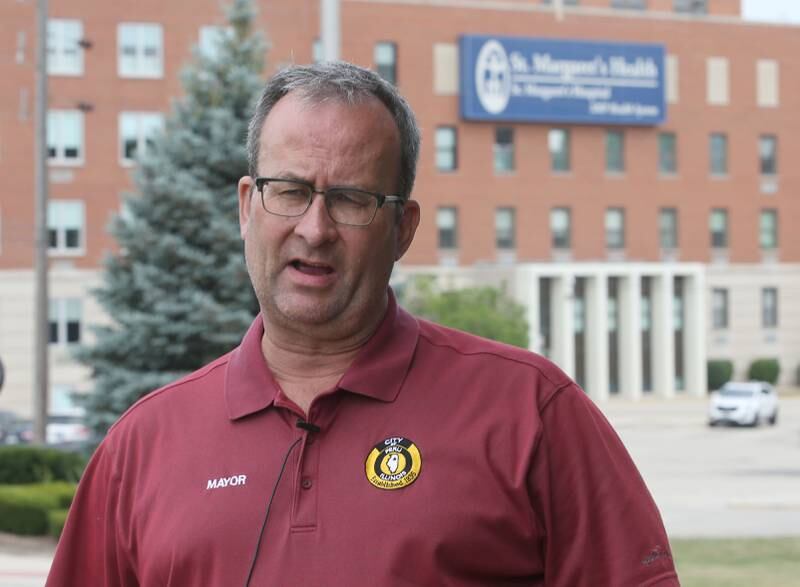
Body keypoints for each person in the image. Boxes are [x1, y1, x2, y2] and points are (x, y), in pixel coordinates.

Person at [47, 61, 679, 586]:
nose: (314, 229)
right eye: (289, 191)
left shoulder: (531, 414)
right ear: (248, 207)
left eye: (351, 199)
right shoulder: (143, 446)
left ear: (402, 227)